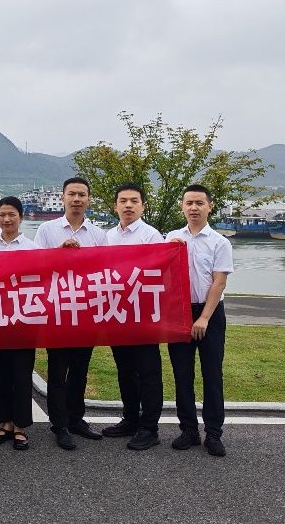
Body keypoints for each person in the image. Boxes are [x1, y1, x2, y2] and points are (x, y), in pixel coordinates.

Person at [33, 176, 108, 450]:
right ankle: (59, 424)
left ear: (88, 199)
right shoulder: (47, 229)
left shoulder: (98, 234)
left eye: (82, 195)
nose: (77, 199)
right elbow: (35, 265)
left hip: (86, 311)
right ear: (63, 197)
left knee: (80, 370)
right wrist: (59, 252)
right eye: (72, 194)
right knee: (57, 370)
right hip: (57, 310)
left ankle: (76, 418)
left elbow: (107, 269)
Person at [166, 184, 233, 457]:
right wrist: (169, 252)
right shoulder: (171, 238)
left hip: (210, 314)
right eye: (189, 203)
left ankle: (213, 434)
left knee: (212, 374)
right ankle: (188, 430)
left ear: (210, 206)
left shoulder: (219, 242)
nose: (194, 208)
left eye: (199, 203)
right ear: (182, 206)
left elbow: (219, 282)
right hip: (179, 313)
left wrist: (204, 317)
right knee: (182, 375)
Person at [101, 183, 165, 450]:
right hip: (118, 313)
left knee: (148, 371)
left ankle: (149, 427)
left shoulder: (152, 236)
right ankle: (130, 419)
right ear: (115, 206)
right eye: (123, 201)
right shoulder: (107, 237)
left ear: (143, 206)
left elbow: (160, 273)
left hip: (144, 315)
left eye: (134, 201)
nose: (128, 205)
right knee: (125, 370)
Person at [0, 197, 39, 451]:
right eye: (2, 215)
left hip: (24, 320)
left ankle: (20, 426)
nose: (7, 219)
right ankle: (5, 423)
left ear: (21, 217)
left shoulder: (32, 247)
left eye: (12, 214)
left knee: (22, 375)